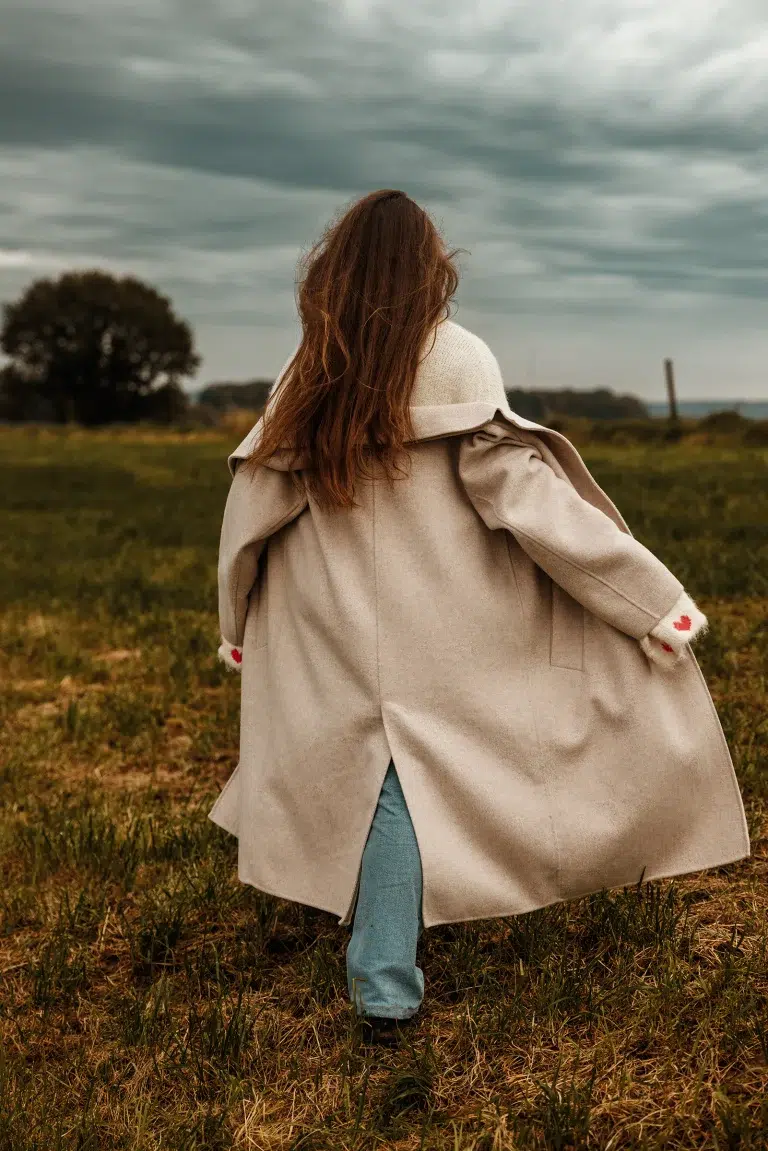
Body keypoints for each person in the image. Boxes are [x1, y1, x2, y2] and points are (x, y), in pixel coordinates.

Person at [208, 189, 750, 1048]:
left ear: (333, 272)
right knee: (409, 778)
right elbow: (532, 501)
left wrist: (236, 616)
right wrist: (654, 600)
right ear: (432, 273)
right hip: (443, 629)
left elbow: (251, 511)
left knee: (378, 770)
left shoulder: (310, 368)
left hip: (334, 626)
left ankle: (377, 951)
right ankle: (383, 987)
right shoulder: (456, 358)